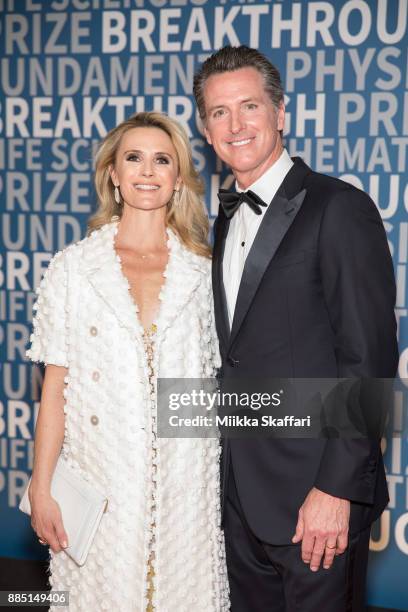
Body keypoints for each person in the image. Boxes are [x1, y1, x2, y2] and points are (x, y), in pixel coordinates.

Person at [193, 45, 398, 611]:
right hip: (240, 500)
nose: (236, 125)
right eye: (218, 112)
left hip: (316, 501)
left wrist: (335, 488)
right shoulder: (222, 222)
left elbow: (369, 360)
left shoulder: (339, 209)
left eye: (250, 106)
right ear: (205, 130)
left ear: (281, 113)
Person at [26, 111, 230, 611]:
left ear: (178, 178)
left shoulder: (205, 272)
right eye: (133, 158)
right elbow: (55, 390)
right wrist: (41, 488)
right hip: (101, 479)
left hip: (188, 486)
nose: (146, 170)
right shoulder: (74, 268)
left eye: (162, 160)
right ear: (113, 174)